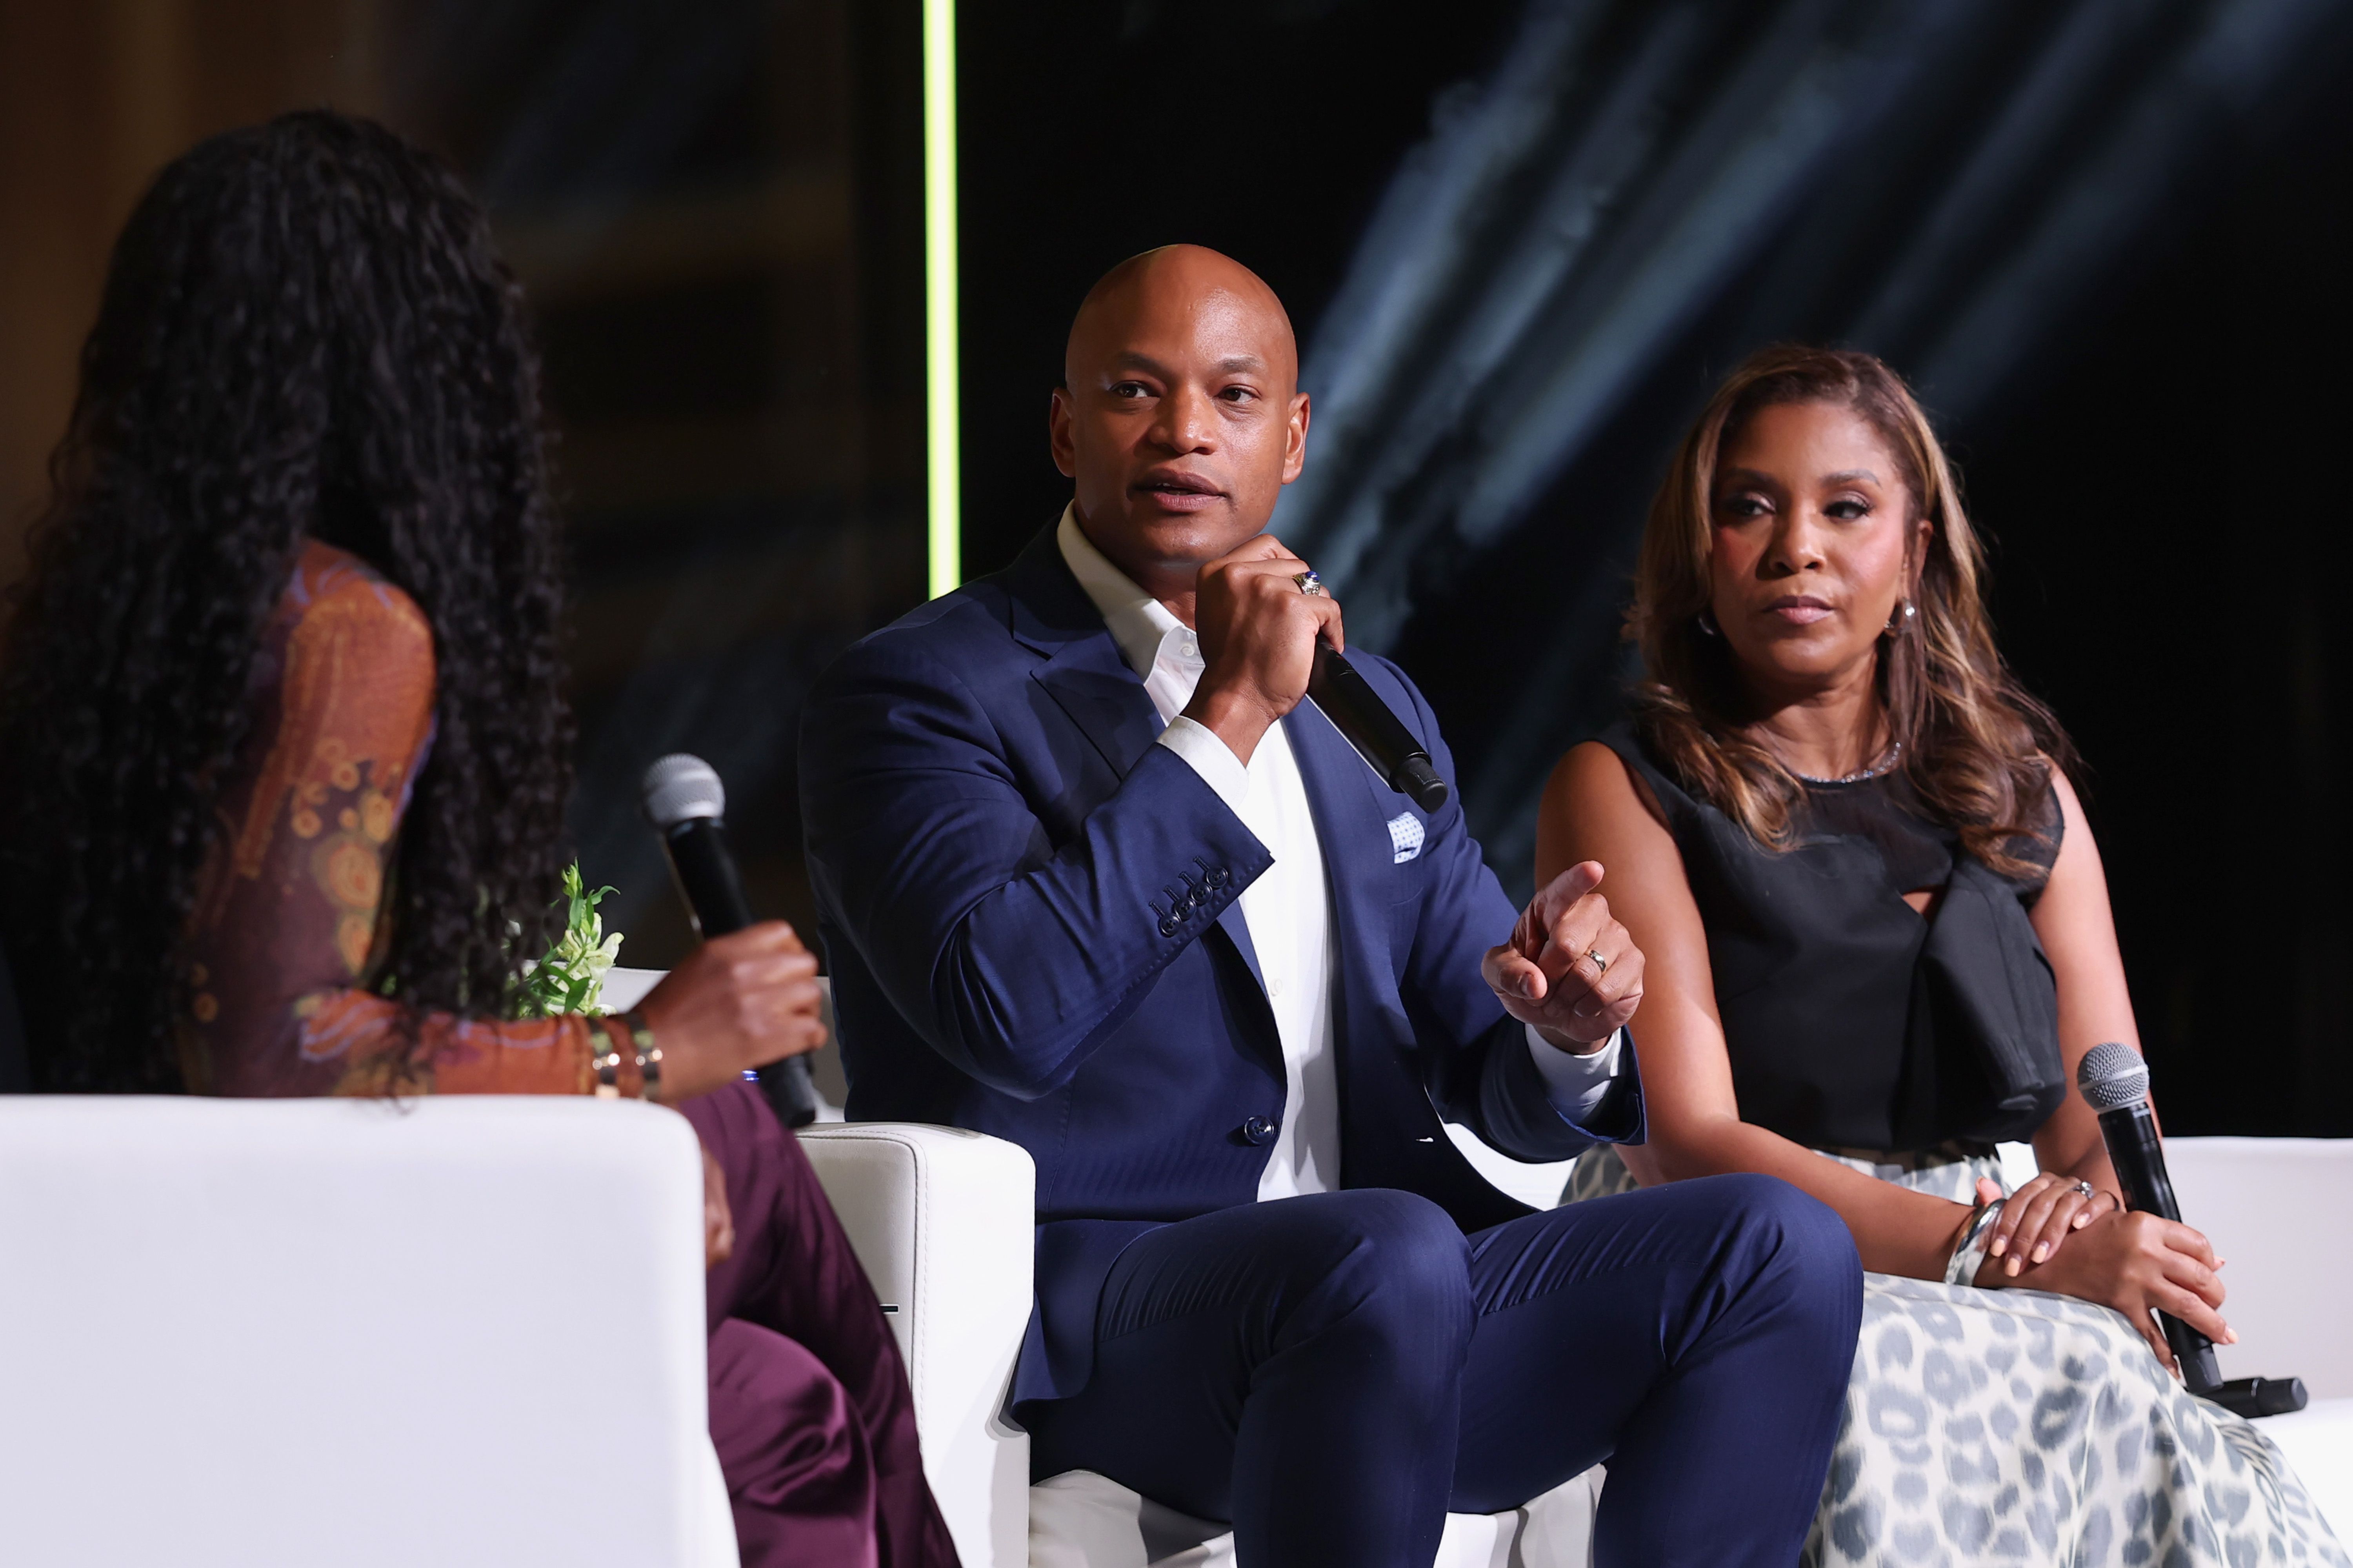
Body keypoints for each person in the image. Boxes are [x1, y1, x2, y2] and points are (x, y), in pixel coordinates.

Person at [799, 244, 1863, 1568]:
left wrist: (1568, 1033)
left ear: (1293, 438)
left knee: (1778, 1247)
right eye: (1136, 391)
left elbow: (1490, 1070)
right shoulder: (922, 694)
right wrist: (1228, 715)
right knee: (1389, 1256)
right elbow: (1011, 1012)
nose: (1186, 431)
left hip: (1389, 1308)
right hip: (1107, 1327)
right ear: (1067, 432)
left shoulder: (1371, 708)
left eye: (1234, 395)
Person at [0, 111, 956, 1568]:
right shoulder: (345, 629)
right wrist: (645, 1057)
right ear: (417, 361)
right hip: (269, 1260)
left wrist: (622, 1133)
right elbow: (274, 1044)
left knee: (775, 1372)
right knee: (781, 1271)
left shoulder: (116, 620)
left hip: (147, 1242)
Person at [1537, 343, 2346, 1568]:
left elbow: (2106, 1111)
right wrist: (1989, 1257)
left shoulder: (2023, 793)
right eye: (1749, 508)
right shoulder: (1628, 786)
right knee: (1875, 1369)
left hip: (2008, 1250)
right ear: (1700, 553)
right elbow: (1688, 1142)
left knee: (2137, 1399)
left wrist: (2083, 1224)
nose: (1797, 548)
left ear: (1914, 552)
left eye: (1845, 509)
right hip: (1742, 1247)